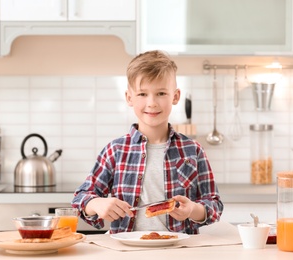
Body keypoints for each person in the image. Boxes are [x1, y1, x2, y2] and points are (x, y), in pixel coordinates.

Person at [72, 50, 223, 234]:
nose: (151, 103)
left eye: (161, 93)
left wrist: (193, 210)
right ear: (129, 97)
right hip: (126, 251)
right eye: (143, 94)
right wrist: (96, 203)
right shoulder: (115, 150)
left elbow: (214, 205)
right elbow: (80, 198)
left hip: (180, 251)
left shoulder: (193, 150)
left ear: (175, 96)